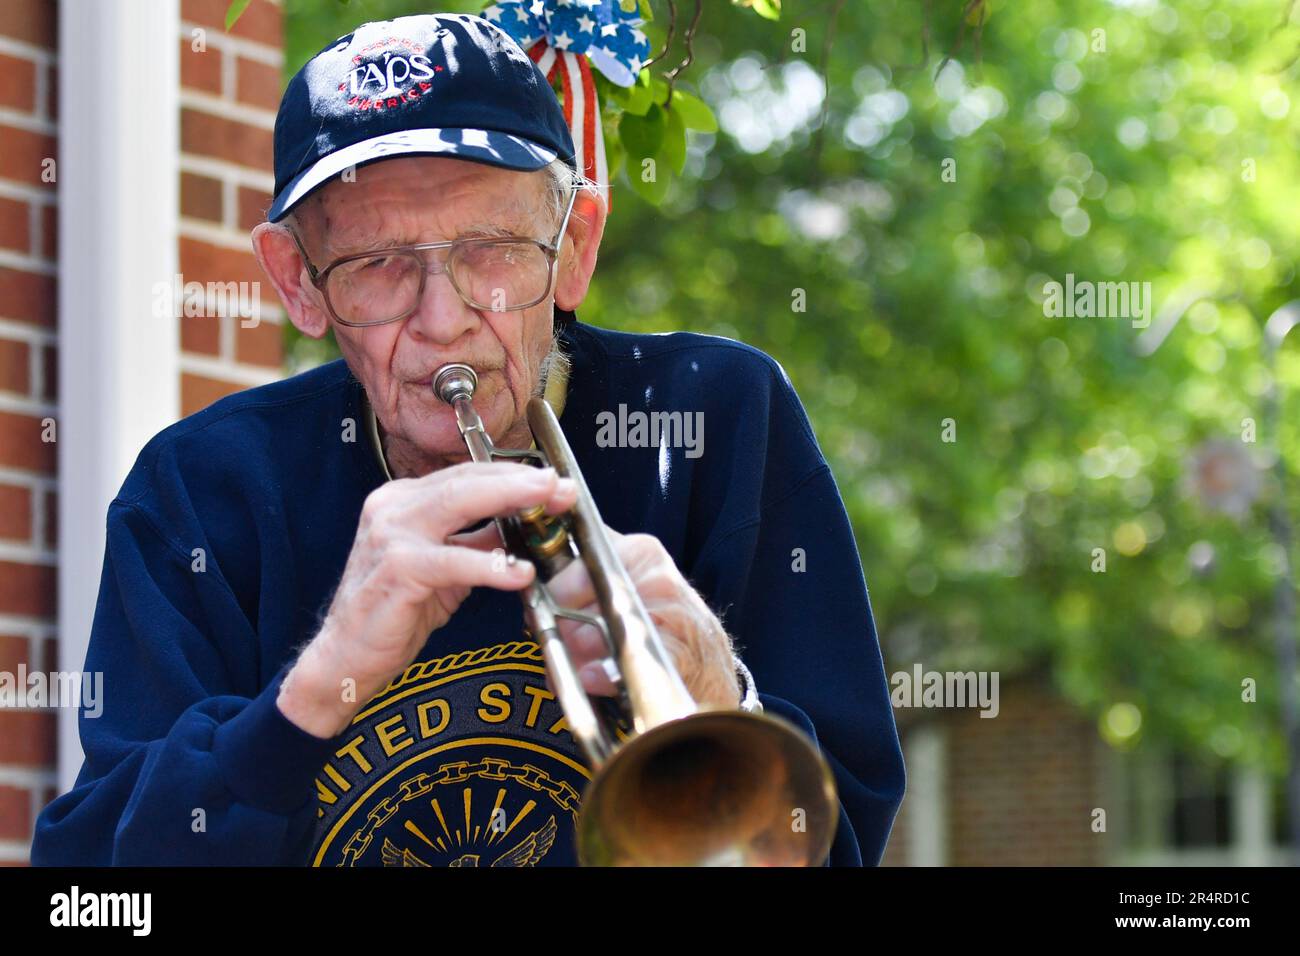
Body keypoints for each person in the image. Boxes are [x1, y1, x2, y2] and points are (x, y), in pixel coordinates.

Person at [32, 12, 903, 867]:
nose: (444, 322)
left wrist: (723, 695)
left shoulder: (718, 421)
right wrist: (311, 693)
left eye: (492, 250)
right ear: (298, 283)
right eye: (377, 264)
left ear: (575, 249)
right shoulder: (200, 490)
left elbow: (842, 839)